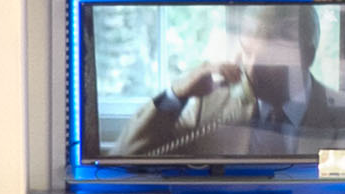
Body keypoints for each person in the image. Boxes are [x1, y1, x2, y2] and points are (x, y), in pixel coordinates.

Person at [115, 14, 331, 160]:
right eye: (247, 52)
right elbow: (126, 154)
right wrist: (176, 94)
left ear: (307, 56)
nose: (252, 69)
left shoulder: (341, 116)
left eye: (268, 58)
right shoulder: (210, 107)